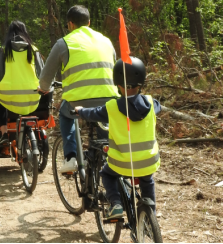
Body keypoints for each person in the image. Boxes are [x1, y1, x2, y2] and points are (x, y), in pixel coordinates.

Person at [74, 57, 161, 219]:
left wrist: (80, 111)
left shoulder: (112, 107)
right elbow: (158, 107)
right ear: (141, 83)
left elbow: (93, 113)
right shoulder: (151, 103)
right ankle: (151, 216)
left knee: (106, 174)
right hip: (148, 161)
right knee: (147, 180)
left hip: (122, 163)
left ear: (118, 84)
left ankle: (116, 204)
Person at [37, 5, 119, 173]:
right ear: (89, 23)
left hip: (77, 102)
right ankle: (109, 157)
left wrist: (43, 88)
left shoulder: (63, 43)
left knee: (65, 114)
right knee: (105, 125)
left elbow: (46, 78)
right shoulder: (106, 41)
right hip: (110, 99)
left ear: (70, 24)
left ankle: (70, 157)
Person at [0, 20, 44, 146]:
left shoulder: (3, 51)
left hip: (9, 100)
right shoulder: (34, 50)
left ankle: (4, 133)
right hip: (32, 99)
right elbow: (43, 75)